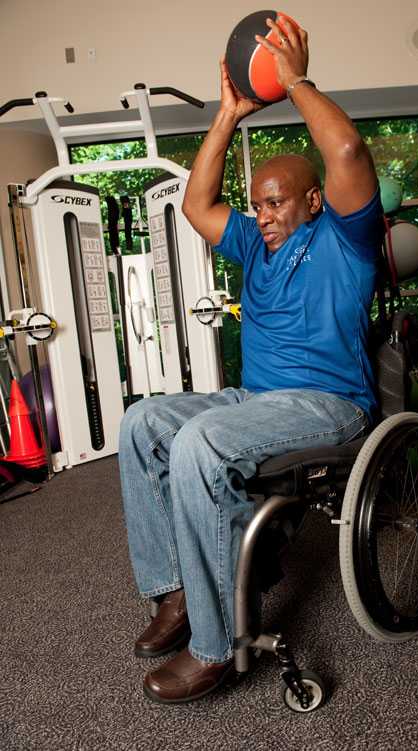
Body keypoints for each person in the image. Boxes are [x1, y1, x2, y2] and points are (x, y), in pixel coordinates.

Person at [119, 16, 384, 705]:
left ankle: (214, 646)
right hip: (255, 400)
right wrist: (230, 112)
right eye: (258, 204)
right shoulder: (253, 245)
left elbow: (349, 148)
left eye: (276, 203)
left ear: (312, 201)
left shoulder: (344, 241)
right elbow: (195, 202)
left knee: (199, 442)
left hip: (329, 403)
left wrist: (293, 80)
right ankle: (177, 593)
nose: (262, 214)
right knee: (143, 421)